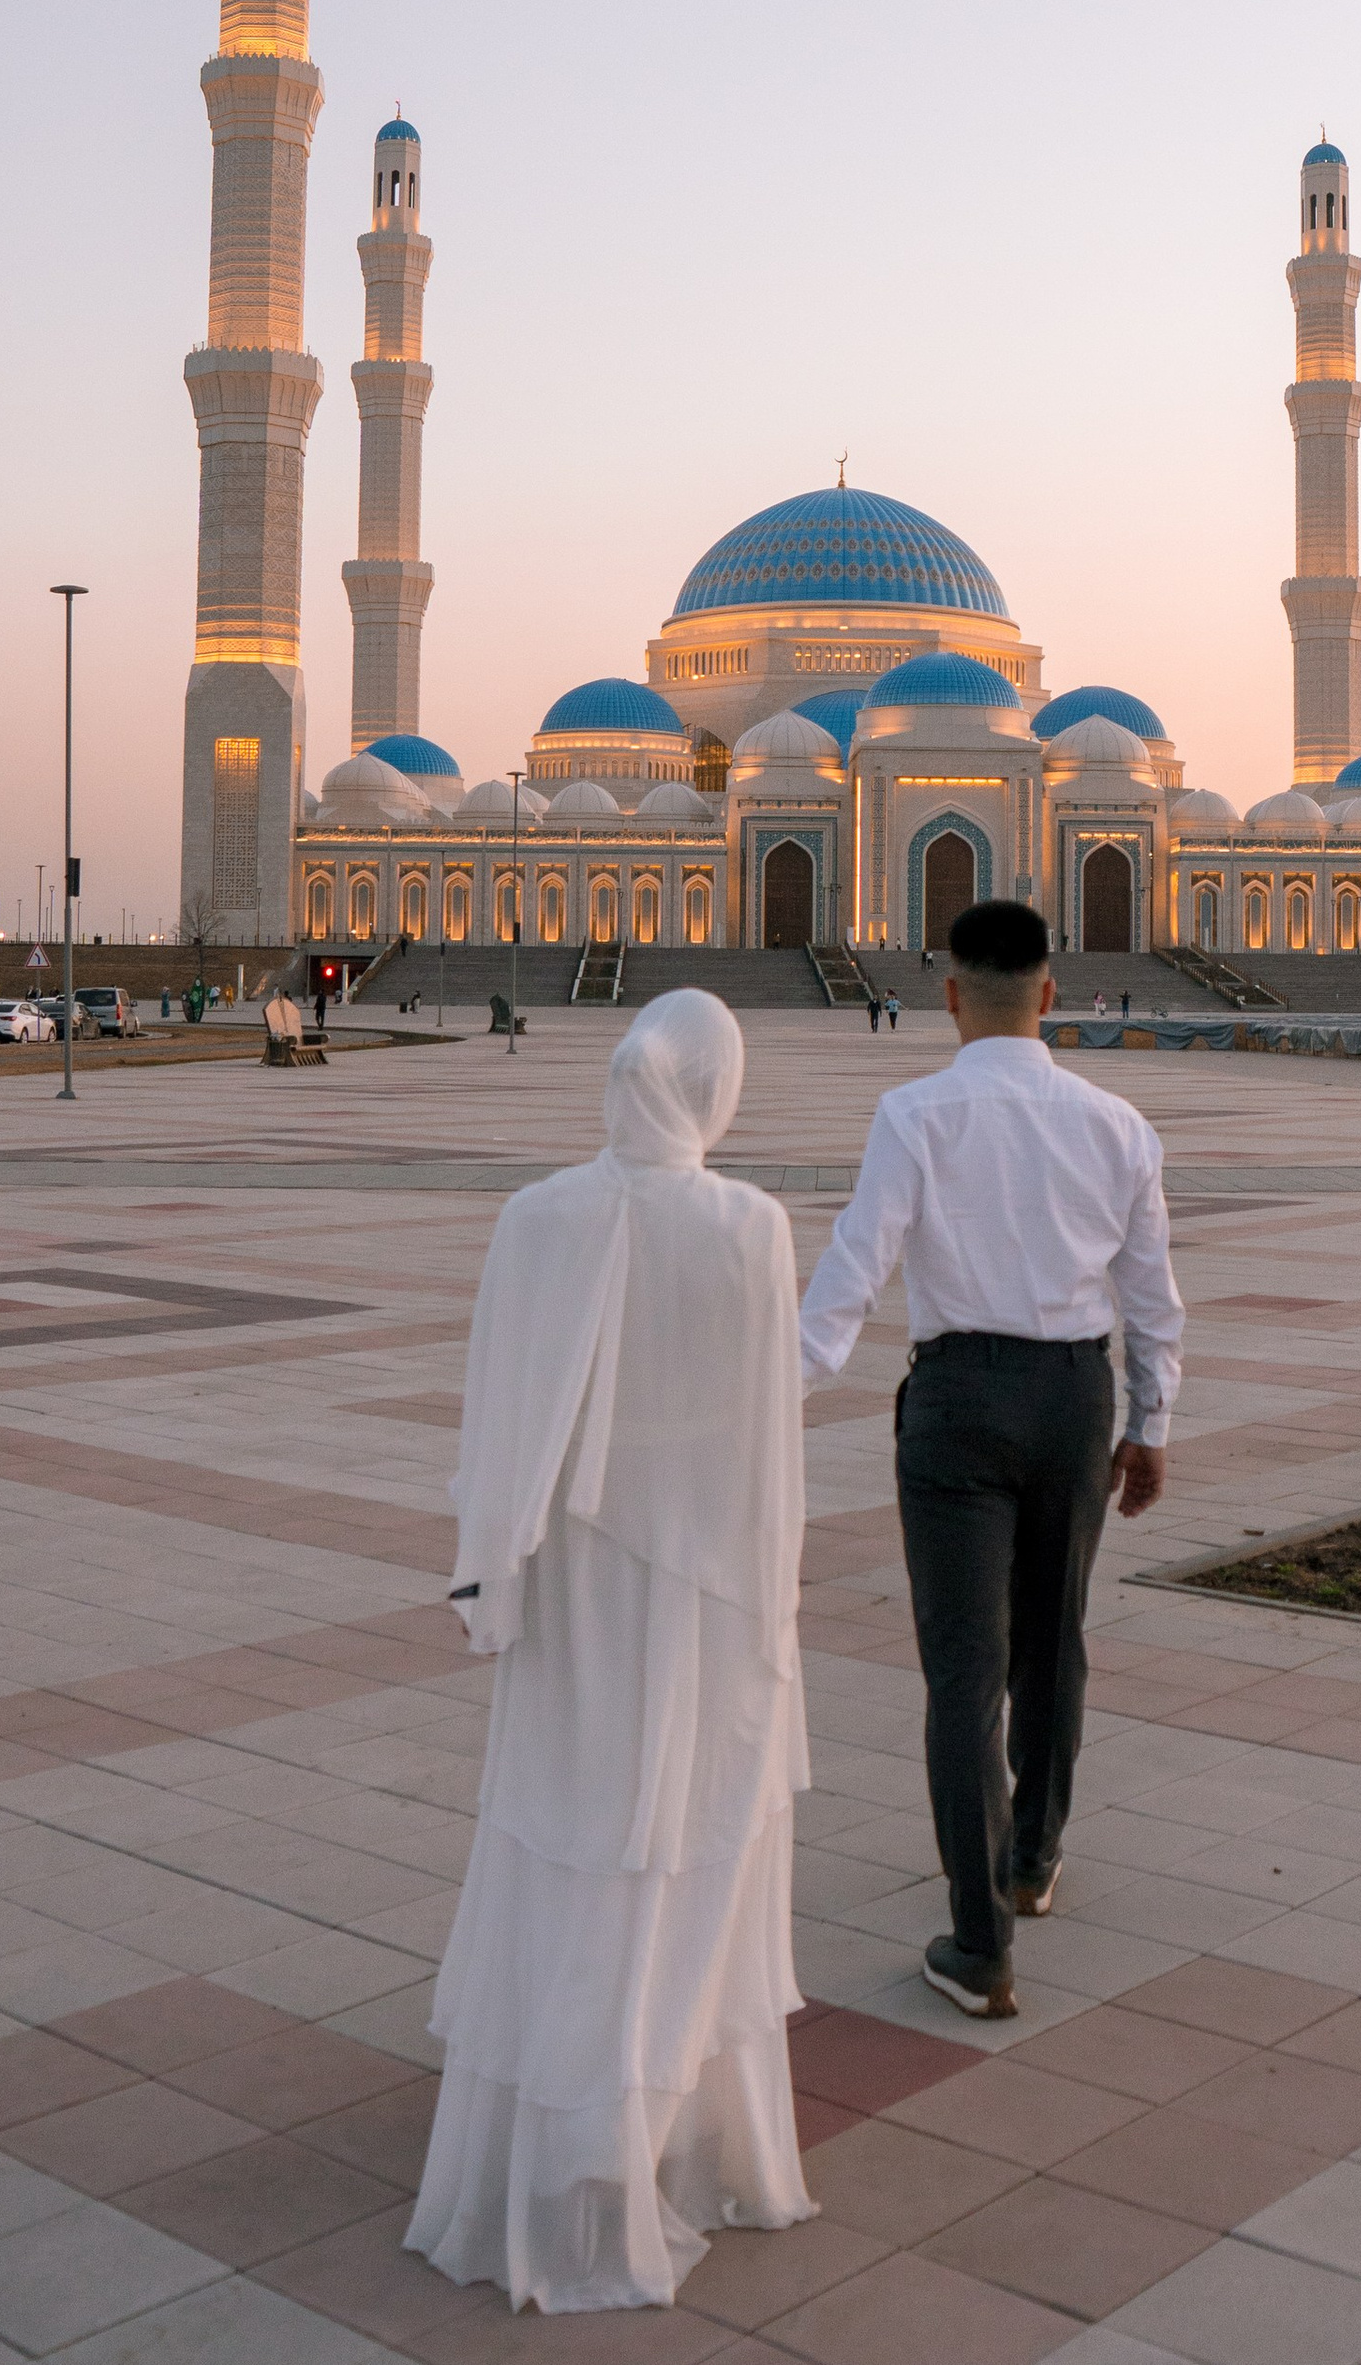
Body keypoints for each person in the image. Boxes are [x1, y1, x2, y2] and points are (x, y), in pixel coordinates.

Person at [408, 991, 813, 2312]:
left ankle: (577, 2121)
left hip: (568, 1587)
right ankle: (640, 2124)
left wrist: (489, 1570)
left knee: (575, 1827)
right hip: (699, 1600)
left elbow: (497, 1410)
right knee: (677, 1842)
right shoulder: (750, 1228)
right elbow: (766, 1454)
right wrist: (773, 1617)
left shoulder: (537, 1219)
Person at [800, 900, 1183, 2021]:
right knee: (1050, 1640)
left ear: (951, 993)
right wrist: (1149, 1423)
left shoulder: (915, 1114)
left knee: (963, 1667)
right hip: (1072, 1398)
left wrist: (776, 1388)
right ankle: (1032, 1856)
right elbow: (1150, 1296)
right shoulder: (1116, 1123)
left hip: (958, 1399)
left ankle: (978, 1944)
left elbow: (853, 1267)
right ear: (1051, 994)